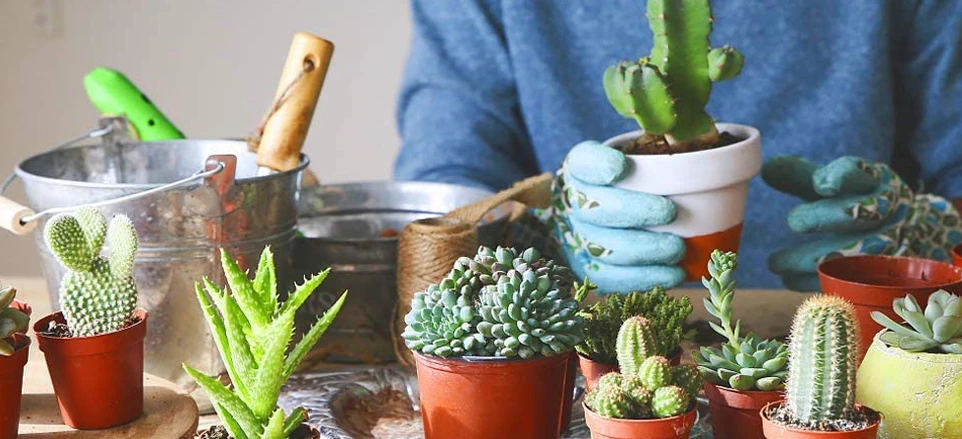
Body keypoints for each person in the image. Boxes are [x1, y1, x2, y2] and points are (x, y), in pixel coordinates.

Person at [394, 0, 962, 291]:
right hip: (588, 375)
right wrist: (546, 238)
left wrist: (930, 243)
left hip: (872, 364)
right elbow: (444, 192)